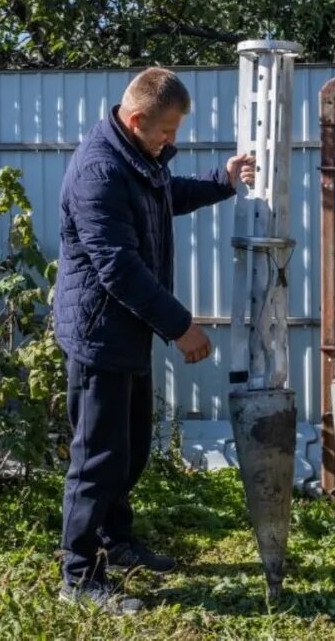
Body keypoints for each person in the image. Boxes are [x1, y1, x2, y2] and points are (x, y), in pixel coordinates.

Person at [53, 67, 255, 615]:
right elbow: (118, 267)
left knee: (131, 448)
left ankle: (116, 544)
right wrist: (181, 325)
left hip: (126, 329)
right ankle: (79, 575)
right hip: (99, 331)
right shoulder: (99, 170)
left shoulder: (136, 157)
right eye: (167, 131)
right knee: (97, 458)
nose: (174, 141)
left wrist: (223, 179)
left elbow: (166, 195)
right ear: (137, 118)